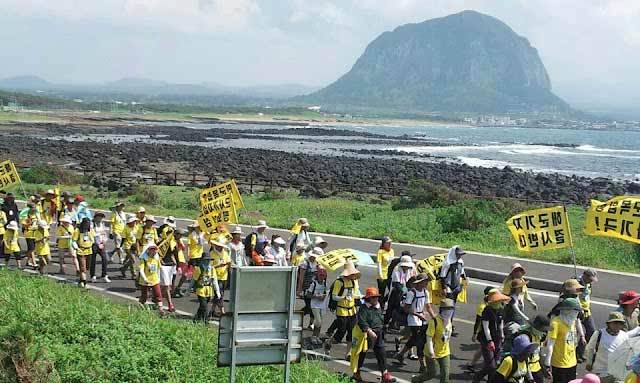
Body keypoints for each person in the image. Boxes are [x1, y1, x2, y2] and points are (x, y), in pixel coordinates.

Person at [350, 287, 396, 383]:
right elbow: (362, 322)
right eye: (373, 297)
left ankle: (385, 374)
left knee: (381, 353)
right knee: (361, 354)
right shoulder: (363, 309)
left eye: (376, 297)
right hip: (365, 335)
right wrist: (369, 331)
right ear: (368, 298)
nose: (376, 299)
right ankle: (356, 373)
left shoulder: (378, 306)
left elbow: (380, 319)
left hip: (378, 333)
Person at [585, 311, 640, 383]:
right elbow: (590, 349)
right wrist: (589, 363)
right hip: (601, 372)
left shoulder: (624, 336)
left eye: (620, 323)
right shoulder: (599, 333)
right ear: (609, 323)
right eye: (615, 322)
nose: (617, 325)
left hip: (616, 373)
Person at [396, 273, 435, 369]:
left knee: (414, 339)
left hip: (421, 317)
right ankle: (422, 364)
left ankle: (400, 354)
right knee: (419, 341)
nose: (426, 283)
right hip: (413, 318)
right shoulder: (411, 293)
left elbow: (428, 306)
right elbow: (406, 309)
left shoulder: (426, 292)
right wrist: (418, 315)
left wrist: (434, 317)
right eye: (425, 281)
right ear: (419, 282)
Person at [411, 298, 455, 383]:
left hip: (445, 352)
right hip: (432, 353)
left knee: (445, 375)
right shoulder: (434, 321)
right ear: (441, 310)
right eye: (447, 310)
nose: (449, 312)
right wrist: (431, 352)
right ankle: (416, 379)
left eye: (451, 309)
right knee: (432, 373)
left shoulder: (449, 320)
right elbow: (429, 337)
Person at [473, 288, 511, 383]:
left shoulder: (501, 309)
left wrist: (502, 335)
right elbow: (486, 327)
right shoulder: (487, 310)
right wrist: (489, 341)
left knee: (495, 364)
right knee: (491, 365)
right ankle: (477, 378)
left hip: (497, 338)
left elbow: (501, 324)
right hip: (487, 340)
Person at [325, 261, 362, 356]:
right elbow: (334, 297)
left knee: (351, 332)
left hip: (352, 310)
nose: (353, 275)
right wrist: (343, 297)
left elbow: (354, 294)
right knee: (341, 331)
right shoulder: (339, 282)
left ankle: (348, 353)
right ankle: (329, 342)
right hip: (341, 310)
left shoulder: (353, 281)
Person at [544, 297, 582, 383]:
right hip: (559, 363)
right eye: (574, 311)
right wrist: (547, 363)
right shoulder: (555, 323)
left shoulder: (572, 322)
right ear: (567, 310)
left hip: (572, 362)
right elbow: (550, 344)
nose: (576, 313)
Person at [466, 286, 494, 373]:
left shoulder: (492, 304)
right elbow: (478, 321)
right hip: (484, 332)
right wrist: (475, 334)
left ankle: (472, 364)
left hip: (491, 331)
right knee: (484, 349)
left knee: (482, 349)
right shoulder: (482, 307)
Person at [516, 315, 551, 383]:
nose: (545, 332)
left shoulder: (539, 336)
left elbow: (539, 353)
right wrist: (530, 378)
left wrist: (544, 370)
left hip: (537, 368)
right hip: (526, 370)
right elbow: (524, 358)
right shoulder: (526, 337)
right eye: (543, 330)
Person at [385, 254, 416, 330]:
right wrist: (404, 290)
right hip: (396, 291)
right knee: (391, 308)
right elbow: (396, 283)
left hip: (405, 291)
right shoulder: (397, 269)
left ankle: (394, 323)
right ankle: (385, 323)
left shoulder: (410, 270)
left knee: (400, 308)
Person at [439, 245, 467, 320]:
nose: (459, 256)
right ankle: (443, 320)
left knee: (453, 304)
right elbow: (442, 276)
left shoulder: (460, 262)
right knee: (447, 305)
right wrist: (444, 288)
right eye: (458, 254)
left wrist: (465, 279)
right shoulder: (448, 263)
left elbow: (462, 272)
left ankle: (449, 321)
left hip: (456, 286)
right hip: (448, 286)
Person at [192, 253, 220, 323]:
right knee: (204, 306)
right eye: (205, 260)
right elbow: (193, 280)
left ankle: (197, 318)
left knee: (202, 306)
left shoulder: (212, 269)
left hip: (209, 290)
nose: (207, 262)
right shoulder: (198, 269)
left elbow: (215, 281)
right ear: (202, 261)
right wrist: (188, 290)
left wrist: (217, 292)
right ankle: (206, 321)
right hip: (200, 289)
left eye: (208, 260)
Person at [578, 269, 599, 361]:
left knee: (591, 331)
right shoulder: (576, 282)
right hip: (578, 311)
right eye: (590, 278)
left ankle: (580, 351)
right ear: (585, 275)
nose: (591, 281)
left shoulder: (589, 284)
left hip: (587, 311)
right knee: (576, 333)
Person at [298, 248, 320, 328]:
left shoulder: (317, 263)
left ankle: (311, 323)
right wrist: (299, 289)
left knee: (313, 306)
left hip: (315, 288)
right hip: (306, 288)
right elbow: (301, 277)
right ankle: (297, 317)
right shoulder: (305, 263)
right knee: (309, 306)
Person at [138, 244, 163, 313]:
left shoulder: (156, 259)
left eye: (155, 250)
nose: (153, 251)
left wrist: (158, 278)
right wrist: (145, 279)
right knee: (144, 296)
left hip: (154, 280)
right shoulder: (144, 259)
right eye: (152, 249)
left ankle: (161, 310)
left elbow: (158, 269)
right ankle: (140, 306)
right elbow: (141, 270)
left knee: (158, 294)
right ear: (148, 250)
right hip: (145, 281)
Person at [306, 266, 328, 345]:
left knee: (320, 322)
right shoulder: (313, 284)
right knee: (318, 321)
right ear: (317, 275)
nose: (322, 277)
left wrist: (323, 296)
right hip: (314, 305)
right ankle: (313, 336)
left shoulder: (325, 284)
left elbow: (326, 293)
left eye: (323, 275)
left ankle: (317, 336)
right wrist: (316, 296)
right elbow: (308, 295)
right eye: (320, 275)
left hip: (322, 305)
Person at [211, 235, 231, 317]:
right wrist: (219, 265)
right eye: (219, 246)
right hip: (216, 277)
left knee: (219, 294)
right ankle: (222, 310)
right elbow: (210, 268)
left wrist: (229, 265)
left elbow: (229, 262)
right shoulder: (212, 254)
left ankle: (212, 310)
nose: (221, 248)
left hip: (224, 276)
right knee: (219, 294)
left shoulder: (225, 253)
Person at [73, 217, 95, 288]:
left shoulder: (90, 230)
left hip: (89, 251)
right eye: (86, 224)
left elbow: (93, 238)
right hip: (81, 251)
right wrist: (76, 248)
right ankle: (85, 284)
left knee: (87, 267)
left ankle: (81, 281)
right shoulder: (78, 231)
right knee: (83, 268)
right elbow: (73, 241)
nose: (87, 225)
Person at [160, 230, 178, 313]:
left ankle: (156, 296)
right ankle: (170, 304)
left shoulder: (173, 243)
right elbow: (156, 253)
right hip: (163, 266)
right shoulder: (161, 243)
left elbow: (174, 254)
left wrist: (176, 263)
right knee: (167, 286)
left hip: (171, 265)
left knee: (166, 285)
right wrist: (160, 260)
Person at [90, 212, 110, 283]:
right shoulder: (92, 224)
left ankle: (104, 275)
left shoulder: (102, 224)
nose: (100, 218)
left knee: (105, 259)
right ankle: (93, 276)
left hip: (102, 244)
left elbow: (104, 234)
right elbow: (92, 234)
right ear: (95, 217)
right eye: (99, 216)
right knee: (93, 261)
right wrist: (98, 241)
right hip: (94, 244)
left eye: (101, 217)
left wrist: (104, 241)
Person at [171, 229, 189, 298]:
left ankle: (178, 288)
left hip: (181, 259)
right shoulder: (172, 241)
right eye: (179, 234)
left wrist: (180, 243)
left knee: (185, 274)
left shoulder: (180, 240)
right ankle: (172, 290)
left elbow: (183, 248)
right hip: (175, 260)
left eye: (181, 235)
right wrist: (178, 244)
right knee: (174, 276)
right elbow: (174, 251)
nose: (181, 236)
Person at [377, 236, 395, 305]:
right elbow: (379, 263)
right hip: (383, 274)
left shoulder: (392, 251)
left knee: (392, 290)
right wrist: (380, 275)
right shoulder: (380, 252)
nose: (390, 244)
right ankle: (381, 306)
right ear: (384, 244)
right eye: (388, 243)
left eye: (390, 243)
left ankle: (385, 300)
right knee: (381, 292)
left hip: (390, 274)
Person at [21, 202, 40, 268]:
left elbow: (39, 222)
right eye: (33, 208)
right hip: (28, 233)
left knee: (32, 249)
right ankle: (34, 263)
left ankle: (27, 261)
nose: (34, 209)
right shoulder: (26, 215)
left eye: (35, 208)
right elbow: (23, 223)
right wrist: (29, 223)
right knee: (32, 249)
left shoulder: (36, 215)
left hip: (35, 233)